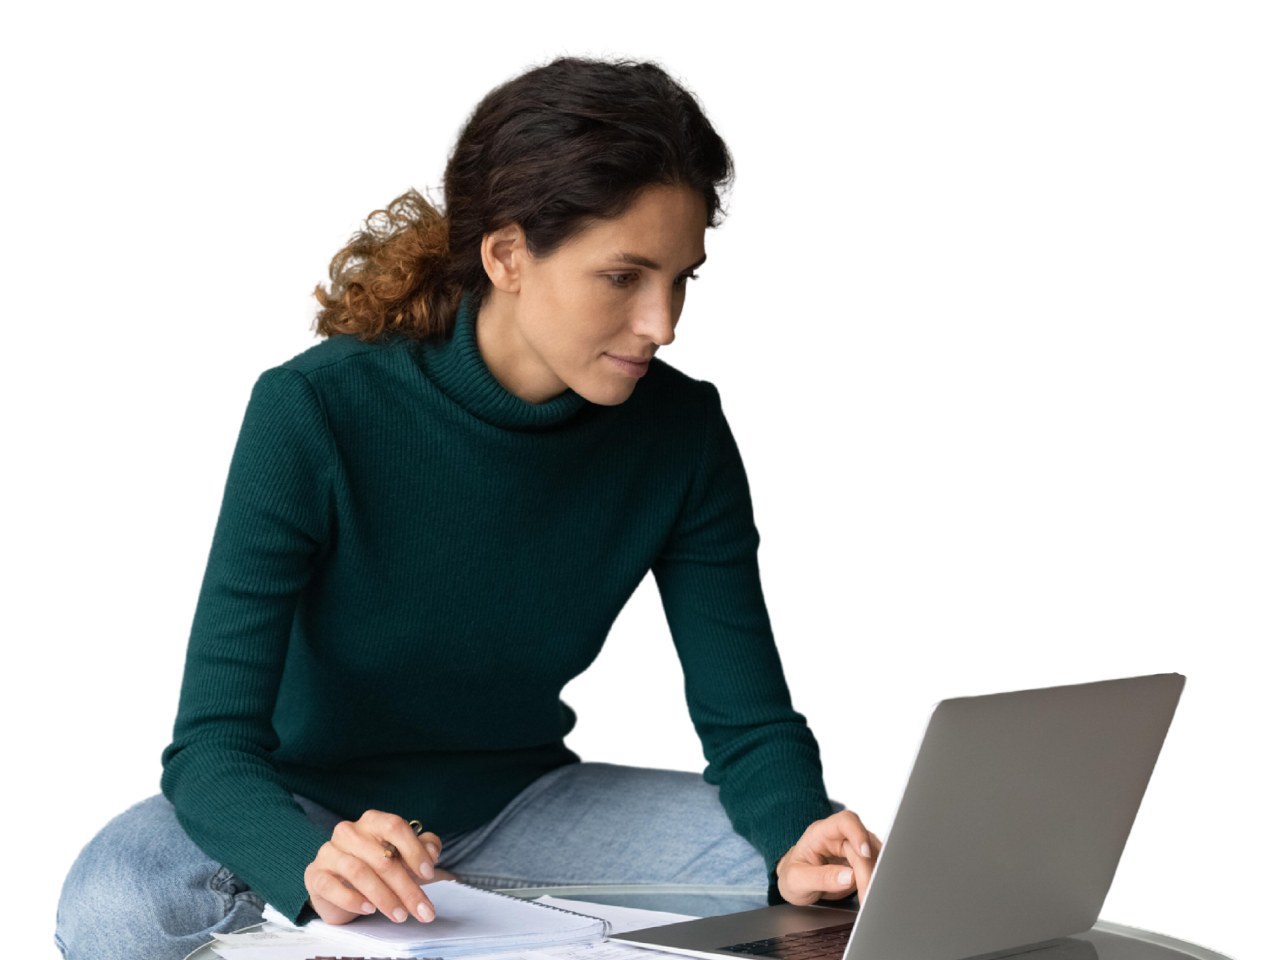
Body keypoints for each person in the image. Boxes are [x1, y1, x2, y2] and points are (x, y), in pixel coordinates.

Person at [54, 55, 883, 960]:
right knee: (118, 900)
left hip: (527, 807)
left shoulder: (681, 432)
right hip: (305, 804)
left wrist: (800, 829)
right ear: (507, 255)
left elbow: (749, 721)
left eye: (683, 277)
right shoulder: (317, 411)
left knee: (849, 888)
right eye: (624, 278)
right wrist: (310, 862)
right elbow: (210, 747)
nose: (663, 322)